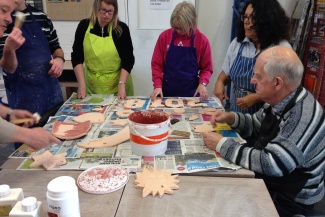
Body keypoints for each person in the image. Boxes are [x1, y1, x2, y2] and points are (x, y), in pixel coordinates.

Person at [202, 46, 325, 217]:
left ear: (277, 82)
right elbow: (255, 124)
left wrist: (221, 144)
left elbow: (273, 163)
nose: (252, 80)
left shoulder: (302, 115)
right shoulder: (279, 101)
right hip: (276, 182)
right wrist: (231, 118)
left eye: (258, 76)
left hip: (293, 201)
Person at [0, 0, 60, 150]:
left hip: (49, 90)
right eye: (3, 10)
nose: (8, 19)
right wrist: (25, 135)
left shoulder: (41, 17)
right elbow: (9, 67)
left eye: (9, 12)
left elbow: (56, 47)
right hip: (24, 95)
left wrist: (8, 113)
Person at [214, 0, 291, 114]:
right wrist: (219, 82)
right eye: (245, 16)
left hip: (267, 122)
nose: (246, 21)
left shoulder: (282, 49)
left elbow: (287, 91)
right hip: (236, 117)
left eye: (252, 18)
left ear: (267, 20)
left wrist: (257, 97)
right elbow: (226, 75)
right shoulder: (237, 43)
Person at [71, 0, 135, 100]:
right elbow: (77, 57)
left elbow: (128, 59)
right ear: (96, 9)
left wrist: (122, 84)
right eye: (103, 11)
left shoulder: (121, 29)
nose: (106, 15)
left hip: (118, 84)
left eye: (110, 11)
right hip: (92, 85)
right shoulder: (84, 26)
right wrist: (81, 85)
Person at [150, 1, 213, 101]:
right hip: (166, 92)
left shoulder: (202, 41)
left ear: (192, 23)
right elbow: (156, 64)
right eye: (175, 28)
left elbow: (207, 68)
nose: (178, 31)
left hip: (192, 94)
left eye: (181, 28)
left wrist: (203, 83)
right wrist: (157, 85)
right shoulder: (164, 37)